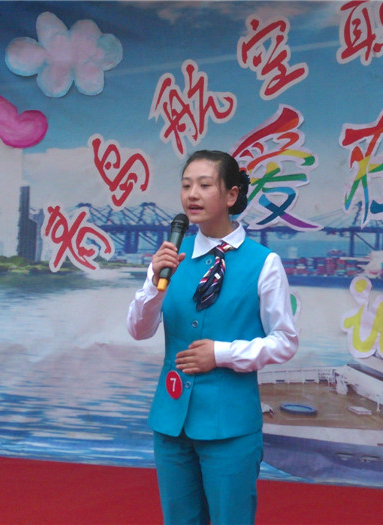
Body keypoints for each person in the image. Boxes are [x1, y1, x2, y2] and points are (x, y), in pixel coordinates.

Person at [127, 150, 298, 525]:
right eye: (186, 185)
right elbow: (139, 330)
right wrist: (155, 285)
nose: (192, 194)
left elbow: (285, 341)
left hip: (230, 425)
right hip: (171, 420)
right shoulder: (171, 257)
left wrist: (221, 354)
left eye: (204, 185)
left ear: (231, 195)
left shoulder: (263, 263)